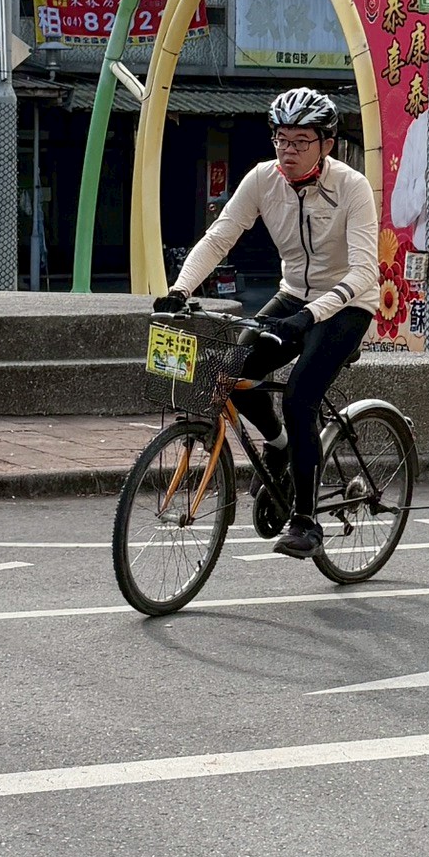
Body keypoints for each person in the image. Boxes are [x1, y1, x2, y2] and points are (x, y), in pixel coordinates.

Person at [156, 88, 378, 559]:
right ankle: (278, 446)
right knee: (227, 373)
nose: (288, 151)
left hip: (347, 305)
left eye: (301, 141)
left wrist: (308, 317)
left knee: (299, 399)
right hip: (293, 294)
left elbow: (363, 272)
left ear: (327, 144)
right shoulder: (262, 179)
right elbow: (220, 237)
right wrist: (180, 290)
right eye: (281, 139)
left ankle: (306, 521)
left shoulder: (352, 187)